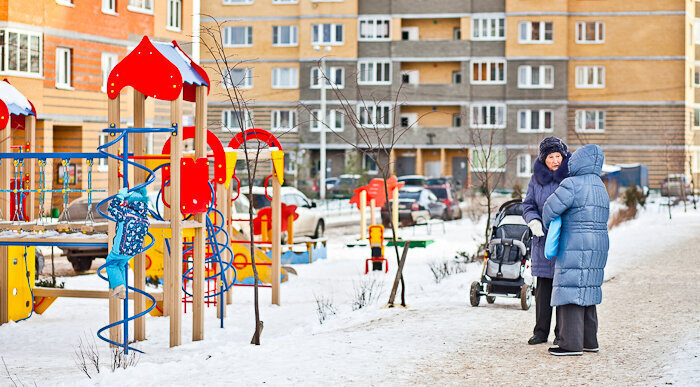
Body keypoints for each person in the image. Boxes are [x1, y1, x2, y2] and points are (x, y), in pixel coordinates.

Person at [542, 144, 610, 356]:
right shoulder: (600, 185)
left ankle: (569, 344)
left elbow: (549, 209)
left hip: (575, 243)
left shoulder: (572, 184)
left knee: (570, 289)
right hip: (599, 244)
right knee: (588, 288)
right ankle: (589, 341)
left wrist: (550, 224)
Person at [522, 136, 571, 345]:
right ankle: (540, 332)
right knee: (543, 290)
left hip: (564, 241)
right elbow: (528, 205)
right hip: (542, 241)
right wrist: (533, 221)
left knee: (561, 289)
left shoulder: (570, 178)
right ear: (544, 159)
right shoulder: (536, 180)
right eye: (551, 156)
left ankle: (561, 334)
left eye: (558, 155)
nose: (555, 160)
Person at [105, 187, 150, 298]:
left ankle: (119, 286)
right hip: (133, 251)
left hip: (121, 247)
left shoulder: (125, 213)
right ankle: (121, 290)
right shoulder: (145, 218)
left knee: (110, 264)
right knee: (120, 265)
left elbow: (112, 208)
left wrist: (120, 196)